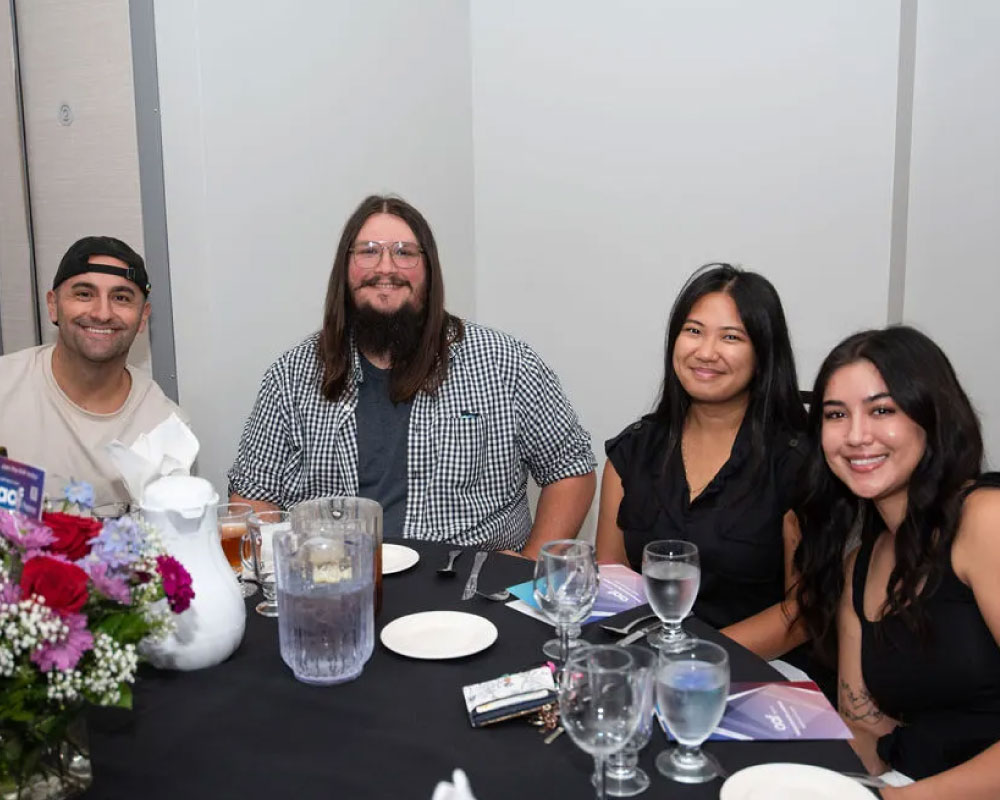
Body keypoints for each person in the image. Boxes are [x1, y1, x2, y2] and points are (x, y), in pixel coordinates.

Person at [229, 195, 595, 557]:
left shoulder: (505, 362)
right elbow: (251, 494)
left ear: (429, 269)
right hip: (334, 586)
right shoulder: (291, 375)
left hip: (471, 588)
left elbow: (570, 467)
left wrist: (530, 568)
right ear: (346, 269)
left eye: (404, 252)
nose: (385, 267)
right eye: (368, 251)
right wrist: (289, 572)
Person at [794, 326, 1000, 797]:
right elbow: (867, 733)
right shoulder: (860, 568)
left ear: (932, 416)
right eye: (836, 415)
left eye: (882, 410)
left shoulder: (986, 520)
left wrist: (900, 798)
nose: (856, 436)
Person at [595, 263, 808, 660]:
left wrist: (695, 659)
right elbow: (613, 580)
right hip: (647, 662)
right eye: (693, 331)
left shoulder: (799, 462)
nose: (706, 352)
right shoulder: (632, 452)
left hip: (758, 673)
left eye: (731, 337)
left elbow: (801, 611)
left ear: (763, 353)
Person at [0, 236, 188, 509]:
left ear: (143, 316)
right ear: (53, 305)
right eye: (84, 294)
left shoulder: (164, 428)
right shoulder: (5, 387)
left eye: (121, 298)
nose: (102, 313)